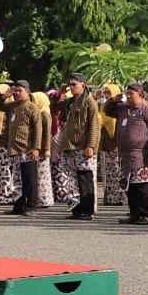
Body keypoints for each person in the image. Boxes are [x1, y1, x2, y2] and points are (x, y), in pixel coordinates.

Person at [105, 83, 148, 226]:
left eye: (132, 94)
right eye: (127, 93)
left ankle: (145, 214)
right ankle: (134, 213)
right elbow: (107, 111)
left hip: (142, 155)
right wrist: (113, 100)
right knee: (131, 187)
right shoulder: (123, 109)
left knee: (144, 187)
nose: (128, 96)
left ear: (141, 95)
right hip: (126, 155)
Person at [57, 74, 101, 221]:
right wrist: (61, 93)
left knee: (85, 178)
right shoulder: (71, 101)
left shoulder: (89, 102)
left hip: (83, 146)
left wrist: (91, 146)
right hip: (70, 145)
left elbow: (94, 126)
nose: (71, 87)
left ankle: (87, 211)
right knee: (72, 179)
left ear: (83, 84)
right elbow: (55, 108)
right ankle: (76, 209)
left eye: (74, 84)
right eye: (70, 84)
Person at [2, 81, 47, 216]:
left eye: (19, 90)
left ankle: (32, 206)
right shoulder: (14, 106)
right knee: (17, 179)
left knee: (30, 179)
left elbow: (38, 130)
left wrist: (36, 148)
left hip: (27, 148)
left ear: (27, 92)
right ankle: (19, 206)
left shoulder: (32, 108)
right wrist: (5, 95)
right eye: (15, 91)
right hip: (15, 149)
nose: (16, 93)